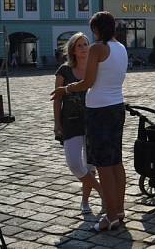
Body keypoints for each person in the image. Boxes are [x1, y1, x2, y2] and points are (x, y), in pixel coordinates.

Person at [51, 12, 128, 232]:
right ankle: (120, 210)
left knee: (103, 165)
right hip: (116, 107)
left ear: (96, 29)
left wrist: (65, 89)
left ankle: (110, 216)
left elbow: (88, 82)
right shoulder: (120, 48)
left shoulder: (98, 48)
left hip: (99, 110)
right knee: (116, 162)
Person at [53, 32, 103, 215]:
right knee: (74, 164)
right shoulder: (64, 71)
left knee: (90, 166)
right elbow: (57, 99)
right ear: (73, 49)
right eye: (80, 45)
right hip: (71, 122)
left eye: (86, 44)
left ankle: (85, 201)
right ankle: (102, 192)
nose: (84, 48)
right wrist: (57, 124)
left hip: (92, 122)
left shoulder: (95, 68)